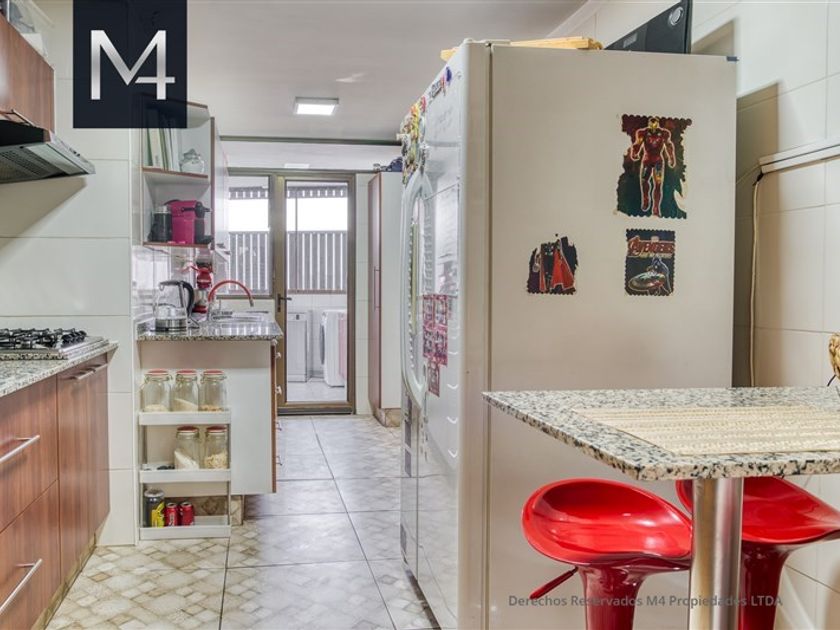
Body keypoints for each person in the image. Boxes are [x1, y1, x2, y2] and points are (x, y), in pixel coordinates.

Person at [629, 117, 677, 217]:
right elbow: (637, 144)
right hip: (647, 160)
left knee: (658, 184)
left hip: (658, 161)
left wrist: (671, 158)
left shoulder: (664, 133)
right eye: (652, 123)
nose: (653, 125)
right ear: (649, 123)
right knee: (644, 181)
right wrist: (635, 153)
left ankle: (656, 207)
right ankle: (646, 199)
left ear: (658, 123)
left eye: (655, 123)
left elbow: (668, 145)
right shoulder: (643, 133)